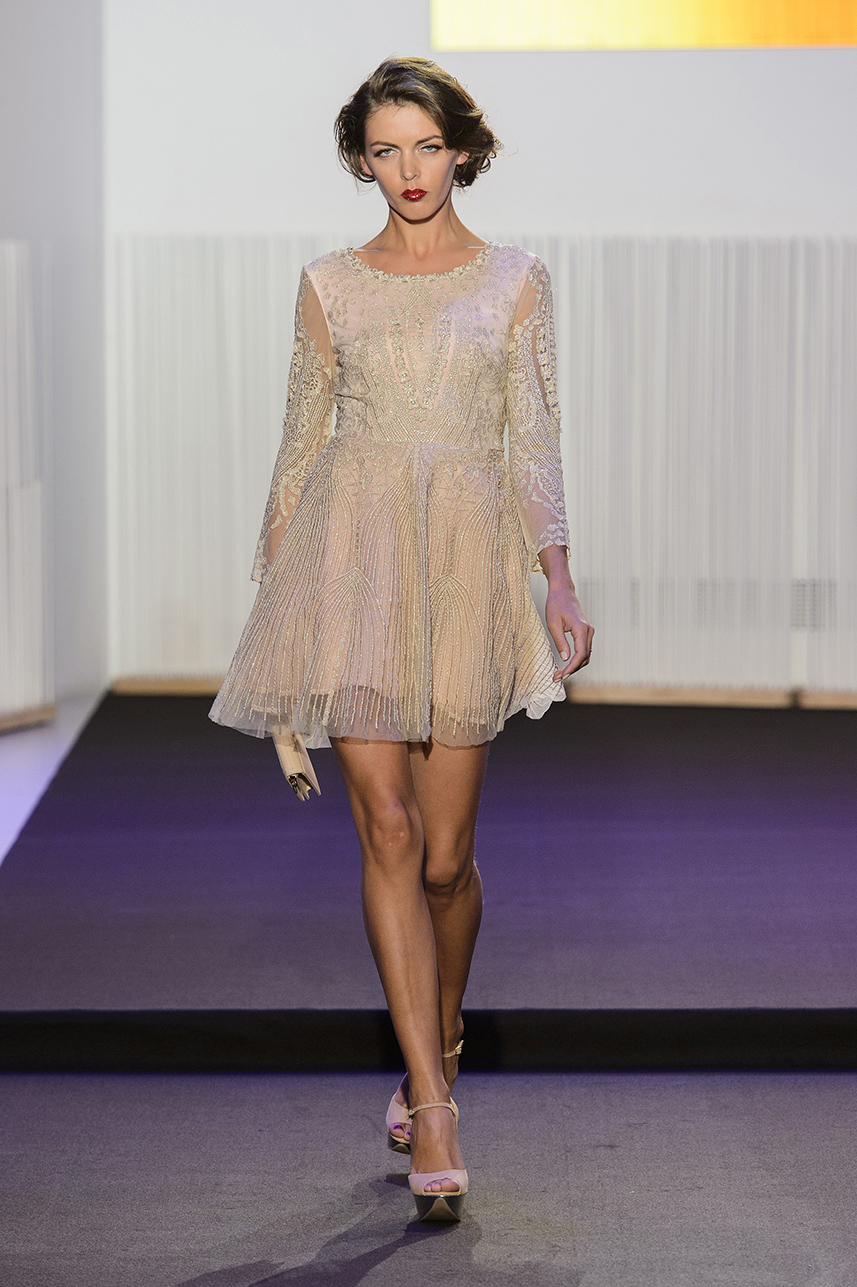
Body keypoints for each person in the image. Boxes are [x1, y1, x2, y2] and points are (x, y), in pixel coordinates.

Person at [210, 56, 593, 1223]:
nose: (407, 170)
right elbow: (298, 448)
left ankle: (444, 1034)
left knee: (443, 861)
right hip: (353, 561)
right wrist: (279, 607)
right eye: (384, 150)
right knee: (384, 830)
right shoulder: (329, 284)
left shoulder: (513, 279)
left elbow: (531, 440)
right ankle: (430, 1102)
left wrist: (556, 577)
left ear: (460, 151)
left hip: (465, 565)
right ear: (361, 162)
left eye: (425, 146)